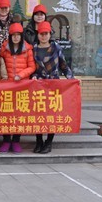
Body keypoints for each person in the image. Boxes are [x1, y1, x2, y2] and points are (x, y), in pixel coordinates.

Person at [32, 21, 74, 154]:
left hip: (53, 85)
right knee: (38, 114)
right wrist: (33, 76)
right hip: (39, 85)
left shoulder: (56, 47)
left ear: (50, 34)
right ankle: (39, 141)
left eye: (46, 34)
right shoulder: (34, 48)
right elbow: (32, 67)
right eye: (41, 34)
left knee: (52, 114)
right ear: (38, 35)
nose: (43, 36)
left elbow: (63, 65)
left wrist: (71, 79)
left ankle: (49, 142)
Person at [0, 22, 36, 153]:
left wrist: (21, 75)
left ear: (21, 36)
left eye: (18, 35)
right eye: (13, 35)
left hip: (22, 86)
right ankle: (6, 140)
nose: (15, 38)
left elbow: (32, 67)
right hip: (7, 86)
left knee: (19, 114)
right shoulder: (5, 49)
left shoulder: (27, 49)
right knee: (6, 114)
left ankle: (16, 140)